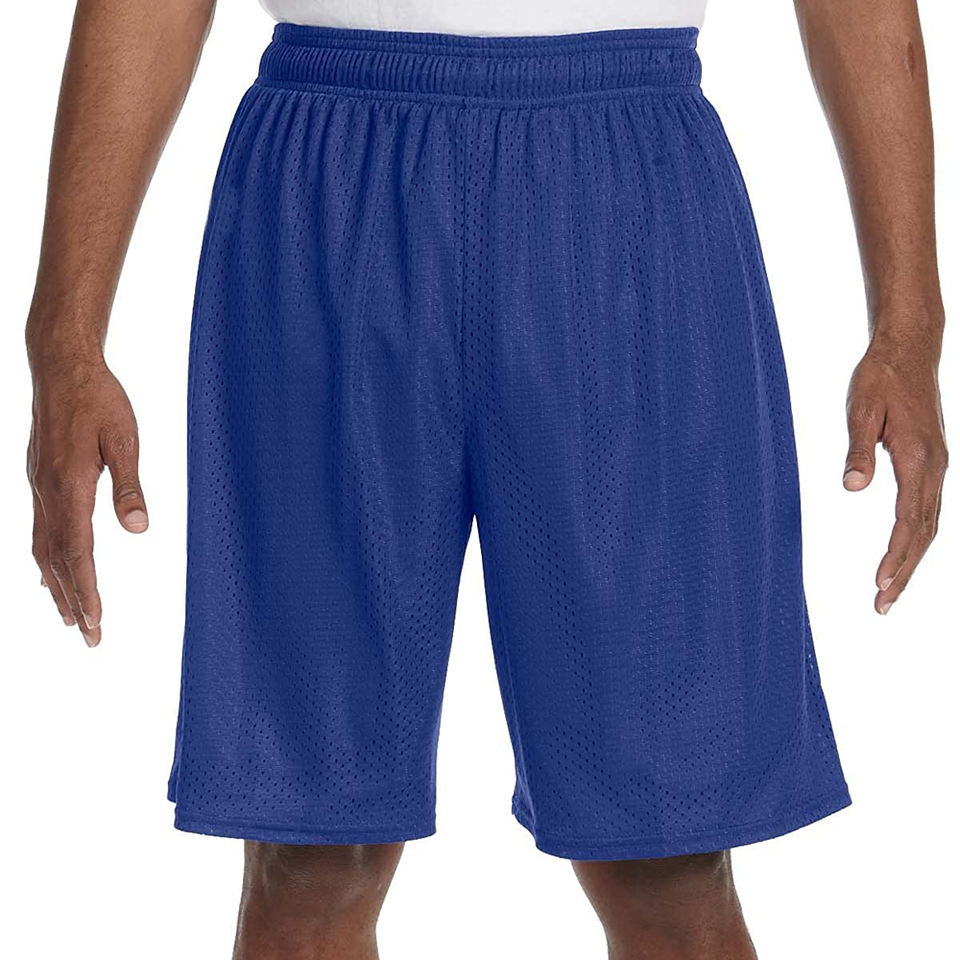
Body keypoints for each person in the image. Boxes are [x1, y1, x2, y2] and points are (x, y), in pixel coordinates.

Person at [24, 1, 946, 958]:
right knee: (309, 859)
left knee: (668, 858)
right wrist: (64, 340)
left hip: (624, 184)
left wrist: (910, 327)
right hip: (328, 180)